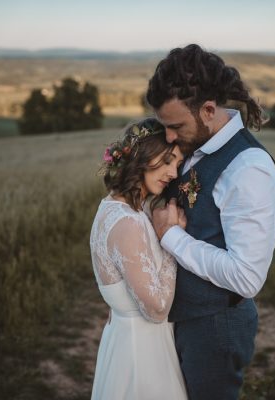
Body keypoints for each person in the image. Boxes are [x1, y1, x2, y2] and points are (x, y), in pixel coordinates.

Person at [146, 44, 275, 399]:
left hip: (214, 328)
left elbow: (246, 277)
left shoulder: (248, 169)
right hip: (185, 319)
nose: (171, 137)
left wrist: (171, 237)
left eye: (176, 126)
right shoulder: (197, 147)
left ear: (208, 110)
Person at [89, 117, 188, 399]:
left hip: (126, 340)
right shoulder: (128, 222)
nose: (172, 172)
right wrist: (170, 239)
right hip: (141, 355)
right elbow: (156, 310)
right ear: (142, 155)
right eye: (167, 160)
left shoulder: (114, 206)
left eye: (177, 164)